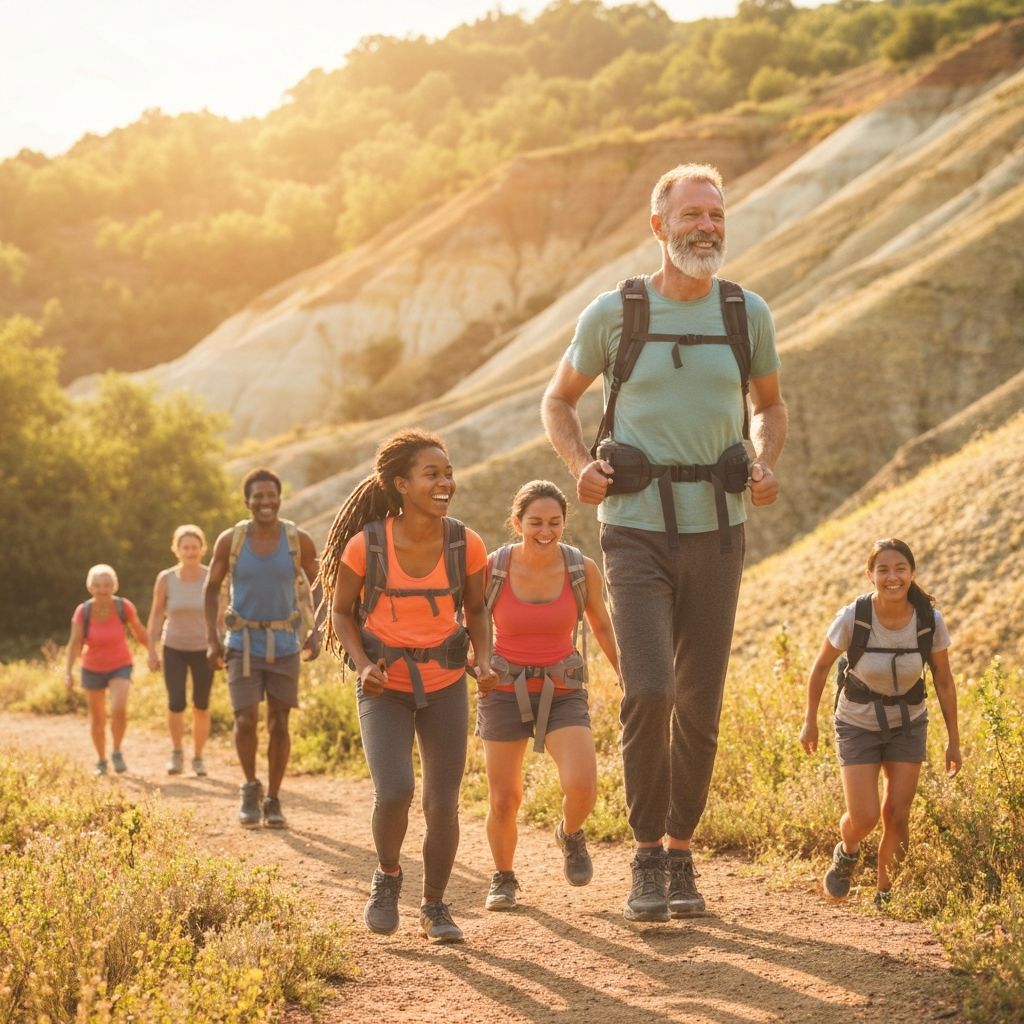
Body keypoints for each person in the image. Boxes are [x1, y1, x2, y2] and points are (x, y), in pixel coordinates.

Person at [541, 162, 788, 922]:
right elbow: (558, 400)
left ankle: (681, 853)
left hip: (719, 531)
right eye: (691, 215)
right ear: (659, 226)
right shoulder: (612, 314)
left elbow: (769, 408)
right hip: (634, 531)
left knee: (701, 699)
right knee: (651, 688)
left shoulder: (748, 313)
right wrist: (581, 467)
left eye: (716, 215)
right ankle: (645, 853)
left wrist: (766, 460)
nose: (706, 227)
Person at [320, 429, 497, 944]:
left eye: (448, 473)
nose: (446, 482)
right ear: (400, 484)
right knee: (395, 791)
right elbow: (340, 612)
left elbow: (478, 609)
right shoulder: (366, 545)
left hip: (444, 684)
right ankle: (387, 876)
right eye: (432, 474)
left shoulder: (466, 543)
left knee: (443, 802)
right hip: (385, 687)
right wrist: (361, 664)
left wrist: (483, 660)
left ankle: (436, 906)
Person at [478, 480, 618, 912]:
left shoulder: (581, 569)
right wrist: (476, 663)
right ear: (517, 522)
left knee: (582, 787)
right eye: (535, 522)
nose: (545, 531)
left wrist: (627, 677)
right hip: (502, 688)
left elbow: (602, 625)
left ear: (564, 523)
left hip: (563, 689)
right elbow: (473, 623)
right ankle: (503, 877)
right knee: (504, 799)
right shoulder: (493, 568)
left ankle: (570, 833)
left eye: (554, 522)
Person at [800, 538, 962, 907]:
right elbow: (821, 666)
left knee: (896, 814)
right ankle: (848, 849)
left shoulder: (928, 620)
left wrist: (954, 740)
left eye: (900, 569)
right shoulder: (854, 617)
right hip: (857, 722)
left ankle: (885, 894)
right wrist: (809, 721)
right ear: (870, 575)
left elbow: (944, 680)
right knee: (866, 815)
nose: (893, 577)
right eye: (883, 569)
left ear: (912, 573)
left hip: (909, 722)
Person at [204, 468, 320, 829]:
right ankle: (250, 787)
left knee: (280, 722)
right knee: (245, 718)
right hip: (241, 642)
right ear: (247, 501)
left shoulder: (297, 539)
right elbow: (211, 589)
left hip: (285, 642)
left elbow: (323, 585)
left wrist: (314, 629)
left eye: (271, 496)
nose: (265, 502)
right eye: (258, 497)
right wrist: (213, 639)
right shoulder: (231, 540)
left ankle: (273, 797)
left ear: (280, 498)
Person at [64, 564, 154, 775]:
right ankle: (101, 759)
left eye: (106, 585)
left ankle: (116, 751)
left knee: (118, 709)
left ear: (114, 586)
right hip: (92, 668)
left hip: (120, 665)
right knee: (97, 719)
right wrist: (68, 671)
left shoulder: (124, 606)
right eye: (97, 585)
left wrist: (153, 652)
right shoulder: (83, 611)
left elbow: (139, 632)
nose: (102, 589)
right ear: (90, 587)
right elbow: (74, 642)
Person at [147, 524, 215, 777]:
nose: (190, 551)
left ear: (202, 549)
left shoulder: (211, 576)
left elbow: (220, 616)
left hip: (203, 648)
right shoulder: (166, 579)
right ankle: (177, 752)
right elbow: (155, 615)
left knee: (201, 704)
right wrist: (151, 650)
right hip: (173, 646)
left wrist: (221, 645)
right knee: (176, 702)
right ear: (176, 550)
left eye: (194, 547)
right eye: (185, 547)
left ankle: (198, 757)